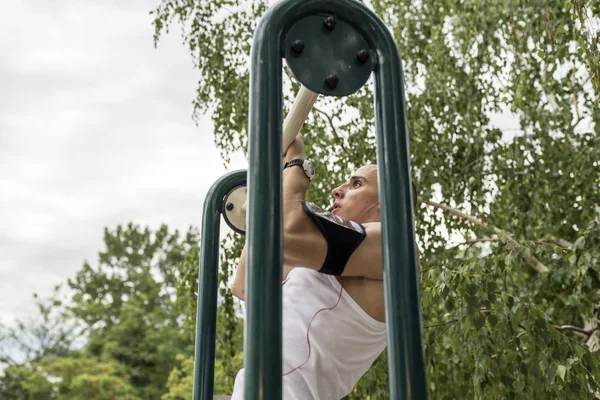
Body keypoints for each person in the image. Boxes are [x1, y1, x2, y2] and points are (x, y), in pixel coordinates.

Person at [230, 133, 418, 399]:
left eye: (356, 184)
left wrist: (297, 165)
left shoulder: (395, 246)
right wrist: (270, 186)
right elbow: (245, 285)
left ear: (385, 202)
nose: (338, 189)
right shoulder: (317, 261)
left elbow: (284, 232)